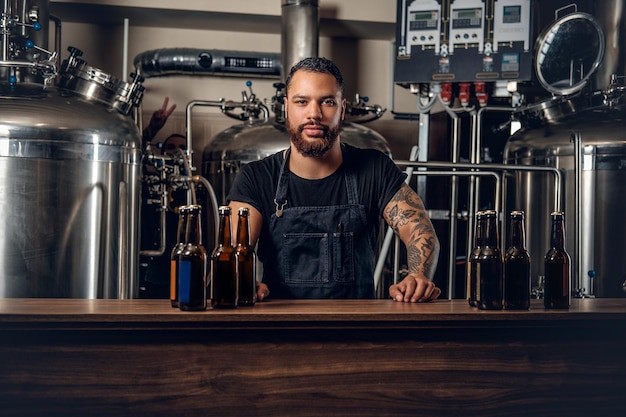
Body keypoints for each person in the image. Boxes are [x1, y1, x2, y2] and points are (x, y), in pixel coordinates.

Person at [227, 57, 441, 302]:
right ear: (286, 107)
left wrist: (418, 275)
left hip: (358, 331)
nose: (314, 114)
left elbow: (420, 231)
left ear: (342, 107)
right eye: (302, 101)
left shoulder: (374, 169)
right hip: (281, 331)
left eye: (327, 102)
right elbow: (233, 251)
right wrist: (237, 278)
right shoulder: (256, 177)